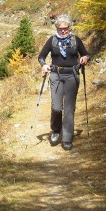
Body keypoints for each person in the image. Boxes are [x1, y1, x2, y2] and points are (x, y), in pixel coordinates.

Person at [37, 15, 89, 150]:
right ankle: (55, 130)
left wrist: (84, 58)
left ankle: (67, 137)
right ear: (57, 28)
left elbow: (86, 54)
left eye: (66, 29)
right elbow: (41, 56)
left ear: (69, 28)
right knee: (56, 107)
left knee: (69, 108)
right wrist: (43, 65)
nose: (63, 31)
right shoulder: (52, 40)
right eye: (60, 29)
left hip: (72, 75)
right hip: (56, 75)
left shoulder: (75, 40)